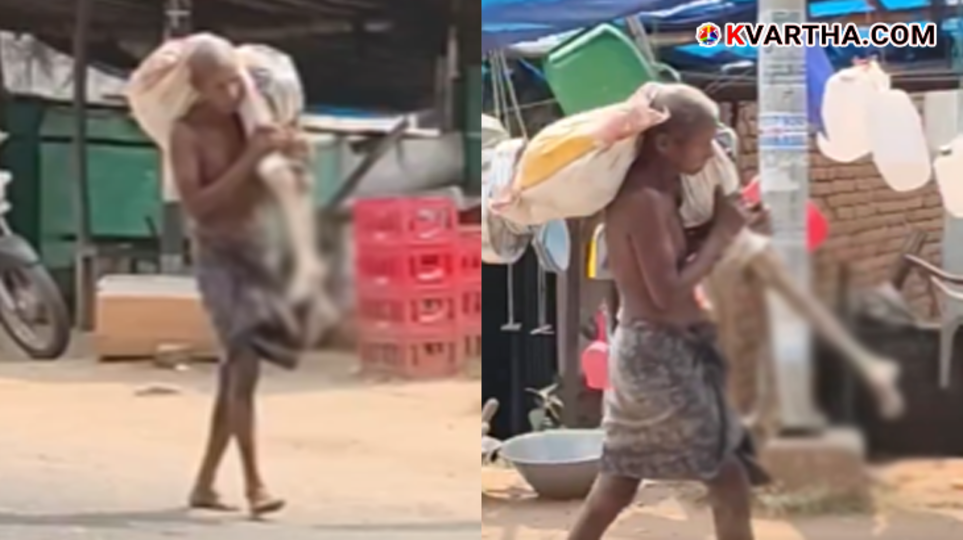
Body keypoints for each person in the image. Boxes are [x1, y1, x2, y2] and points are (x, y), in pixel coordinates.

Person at [567, 84, 769, 540]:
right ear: (665, 143)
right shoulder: (643, 201)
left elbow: (679, 264)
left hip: (656, 353)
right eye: (704, 141)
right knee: (728, 477)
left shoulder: (664, 192)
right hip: (659, 357)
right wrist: (722, 235)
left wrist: (731, 229)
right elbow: (668, 294)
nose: (712, 151)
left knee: (619, 482)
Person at [168, 41, 306, 517]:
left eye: (236, 81)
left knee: (238, 372)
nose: (231, 92)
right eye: (219, 84)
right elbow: (198, 205)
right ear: (197, 87)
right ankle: (255, 486)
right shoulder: (185, 133)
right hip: (217, 256)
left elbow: (282, 187)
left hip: (257, 251)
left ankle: (205, 483)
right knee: (243, 364)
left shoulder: (249, 121)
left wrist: (291, 154)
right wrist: (250, 158)